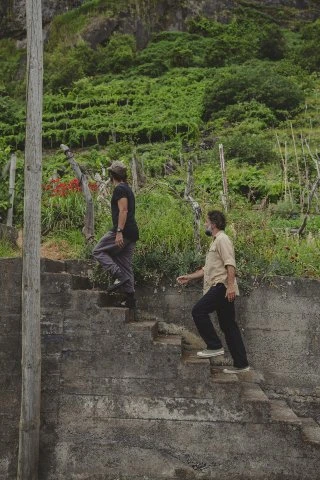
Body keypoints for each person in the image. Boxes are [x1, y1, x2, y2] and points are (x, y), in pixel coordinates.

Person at [177, 210, 249, 374]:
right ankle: (241, 364)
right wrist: (189, 277)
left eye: (206, 221)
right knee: (229, 326)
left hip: (222, 286)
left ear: (213, 224)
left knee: (198, 311)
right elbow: (206, 269)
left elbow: (230, 264)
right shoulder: (215, 241)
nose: (204, 224)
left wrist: (230, 286)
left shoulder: (223, 240)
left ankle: (214, 345)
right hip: (222, 287)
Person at [92, 160, 139, 308]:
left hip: (124, 231)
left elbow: (123, 210)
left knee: (98, 251)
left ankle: (119, 276)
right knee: (125, 264)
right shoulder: (128, 188)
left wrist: (119, 231)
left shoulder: (120, 190)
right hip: (132, 233)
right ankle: (130, 300)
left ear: (112, 175)